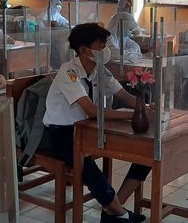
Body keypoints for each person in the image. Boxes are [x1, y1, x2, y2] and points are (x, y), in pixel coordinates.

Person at [42, 23, 150, 223]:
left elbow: (125, 96)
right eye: (101, 44)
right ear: (84, 50)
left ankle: (113, 210)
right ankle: (121, 215)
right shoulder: (69, 72)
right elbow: (91, 111)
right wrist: (131, 115)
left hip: (90, 130)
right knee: (90, 171)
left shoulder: (100, 70)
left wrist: (145, 108)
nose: (105, 49)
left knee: (146, 152)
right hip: (63, 133)